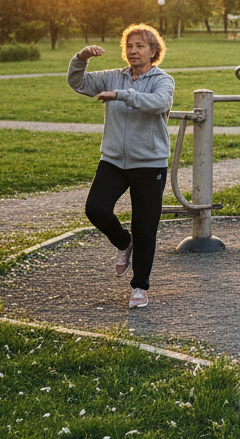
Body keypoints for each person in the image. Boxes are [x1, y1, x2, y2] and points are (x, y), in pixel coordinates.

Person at [67, 24, 174, 309]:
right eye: (129, 45)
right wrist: (81, 58)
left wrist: (121, 95)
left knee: (145, 226)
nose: (133, 50)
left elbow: (158, 103)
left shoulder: (163, 80)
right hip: (113, 160)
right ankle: (124, 243)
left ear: (153, 51)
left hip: (149, 164)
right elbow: (79, 83)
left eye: (140, 46)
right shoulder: (113, 76)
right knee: (96, 209)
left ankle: (140, 286)